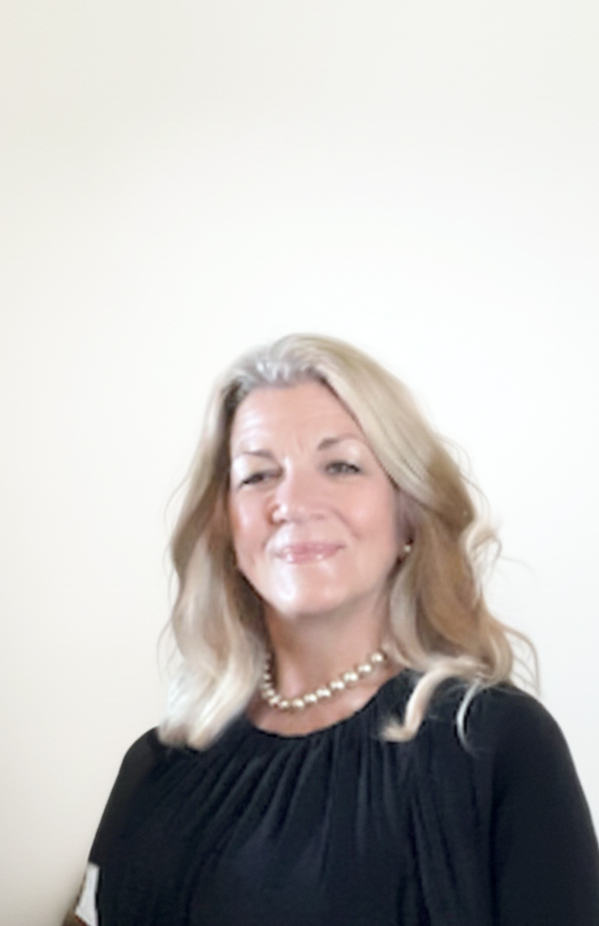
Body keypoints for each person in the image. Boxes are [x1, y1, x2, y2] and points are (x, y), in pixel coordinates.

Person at [72, 334, 599, 926]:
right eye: (257, 476)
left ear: (410, 513)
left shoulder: (496, 745)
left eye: (341, 465)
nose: (293, 502)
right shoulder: (159, 761)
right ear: (224, 526)